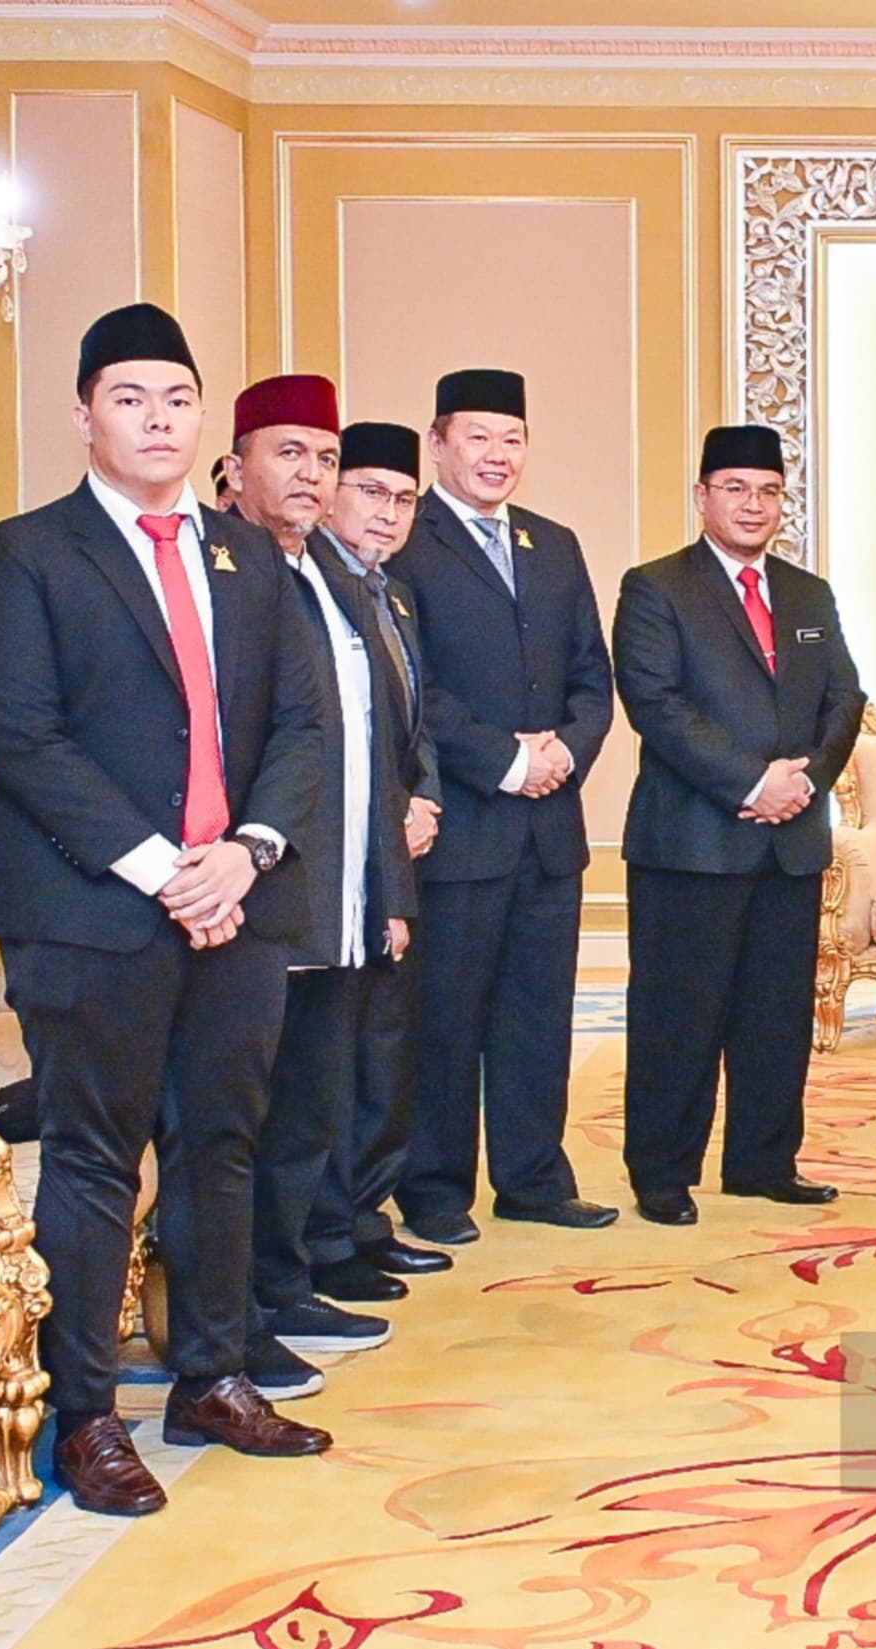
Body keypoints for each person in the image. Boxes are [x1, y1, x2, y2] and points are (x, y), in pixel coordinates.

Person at [0, 303, 332, 1516]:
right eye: (130, 398)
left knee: (222, 1143)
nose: (157, 420)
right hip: (92, 911)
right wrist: (166, 866)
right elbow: (27, 736)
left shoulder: (249, 557)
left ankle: (210, 1375)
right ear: (85, 415)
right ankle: (84, 1415)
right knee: (94, 1157)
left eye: (177, 400)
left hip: (238, 901)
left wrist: (247, 854)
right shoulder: (29, 554)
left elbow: (303, 725)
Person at [224, 376, 420, 1399]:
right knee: (242, 1123)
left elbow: (375, 753)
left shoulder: (335, 582)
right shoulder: (223, 567)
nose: (311, 474)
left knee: (309, 1109)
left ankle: (284, 1281)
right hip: (257, 897)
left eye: (325, 457)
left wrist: (388, 889)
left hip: (338, 895)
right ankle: (235, 1320)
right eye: (289, 453)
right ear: (236, 467)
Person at [616, 426, 865, 1224]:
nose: (753, 505)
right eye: (734, 488)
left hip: (789, 842)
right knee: (678, 1018)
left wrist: (804, 781)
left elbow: (845, 698)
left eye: (768, 491)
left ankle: (764, 1162)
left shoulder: (808, 594)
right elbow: (657, 705)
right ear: (702, 497)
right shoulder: (657, 587)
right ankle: (663, 1173)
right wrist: (753, 781)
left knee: (776, 1017)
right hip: (692, 843)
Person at [392, 369, 618, 1241]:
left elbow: (591, 676)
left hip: (548, 829)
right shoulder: (409, 540)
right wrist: (506, 760)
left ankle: (533, 1178)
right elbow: (416, 687)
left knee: (537, 1016)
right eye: (478, 437)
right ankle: (435, 1190)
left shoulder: (553, 544)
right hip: (461, 825)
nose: (498, 455)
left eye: (512, 439)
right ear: (439, 443)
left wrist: (563, 751)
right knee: (446, 1020)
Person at [304, 421, 448, 1290]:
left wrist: (422, 798)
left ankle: (365, 1217)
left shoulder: (393, 593)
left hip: (394, 851)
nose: (387, 513)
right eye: (370, 492)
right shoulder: (308, 584)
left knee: (385, 1050)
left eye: (403, 499)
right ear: (331, 495)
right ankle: (328, 1239)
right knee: (335, 1060)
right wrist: (392, 811)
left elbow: (411, 720)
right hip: (337, 858)